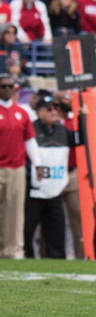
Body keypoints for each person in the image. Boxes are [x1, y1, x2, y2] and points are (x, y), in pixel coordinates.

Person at [23, 93, 83, 259]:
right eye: (49, 109)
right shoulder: (32, 129)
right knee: (28, 227)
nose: (53, 112)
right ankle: (26, 256)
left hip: (55, 188)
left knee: (56, 228)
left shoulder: (62, 130)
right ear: (39, 112)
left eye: (55, 108)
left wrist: (82, 117)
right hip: (34, 187)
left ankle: (56, 258)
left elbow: (80, 140)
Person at [0, 73, 42, 259]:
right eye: (4, 86)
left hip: (17, 166)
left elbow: (30, 140)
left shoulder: (22, 113)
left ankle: (14, 248)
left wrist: (38, 164)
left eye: (11, 86)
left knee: (15, 211)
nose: (8, 89)